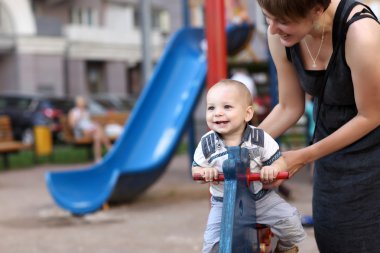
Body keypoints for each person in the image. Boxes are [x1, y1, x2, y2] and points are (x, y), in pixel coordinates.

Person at [256, 0, 380, 252]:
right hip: (330, 151)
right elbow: (289, 107)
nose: (273, 29)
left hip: (374, 151)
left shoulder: (361, 33)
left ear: (316, 10)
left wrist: (304, 155)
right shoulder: (279, 36)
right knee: (332, 237)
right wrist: (240, 144)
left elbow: (372, 115)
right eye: (268, 18)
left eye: (283, 21)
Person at [192, 80, 306, 253]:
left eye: (227, 107)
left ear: (247, 114)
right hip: (223, 203)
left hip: (261, 198)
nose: (217, 113)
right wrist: (204, 172)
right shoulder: (207, 143)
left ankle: (285, 247)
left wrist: (272, 169)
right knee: (210, 244)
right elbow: (195, 169)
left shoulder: (259, 138)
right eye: (211, 108)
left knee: (291, 221)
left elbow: (280, 161)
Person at [68, 96, 112, 163]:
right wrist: (79, 117)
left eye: (83, 102)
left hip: (90, 130)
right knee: (98, 128)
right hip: (81, 132)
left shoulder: (86, 111)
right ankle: (109, 148)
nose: (83, 104)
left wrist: (93, 123)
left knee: (97, 137)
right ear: (77, 103)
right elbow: (72, 125)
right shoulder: (74, 112)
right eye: (81, 102)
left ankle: (98, 158)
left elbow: (87, 123)